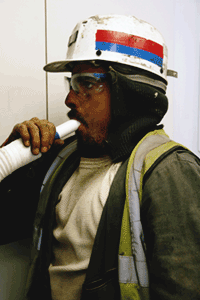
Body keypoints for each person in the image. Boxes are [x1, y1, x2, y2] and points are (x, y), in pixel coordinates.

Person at [1, 14, 200, 300]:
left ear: (130, 92)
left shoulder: (170, 173)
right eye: (72, 82)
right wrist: (12, 160)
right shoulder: (63, 161)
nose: (70, 98)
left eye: (87, 83)